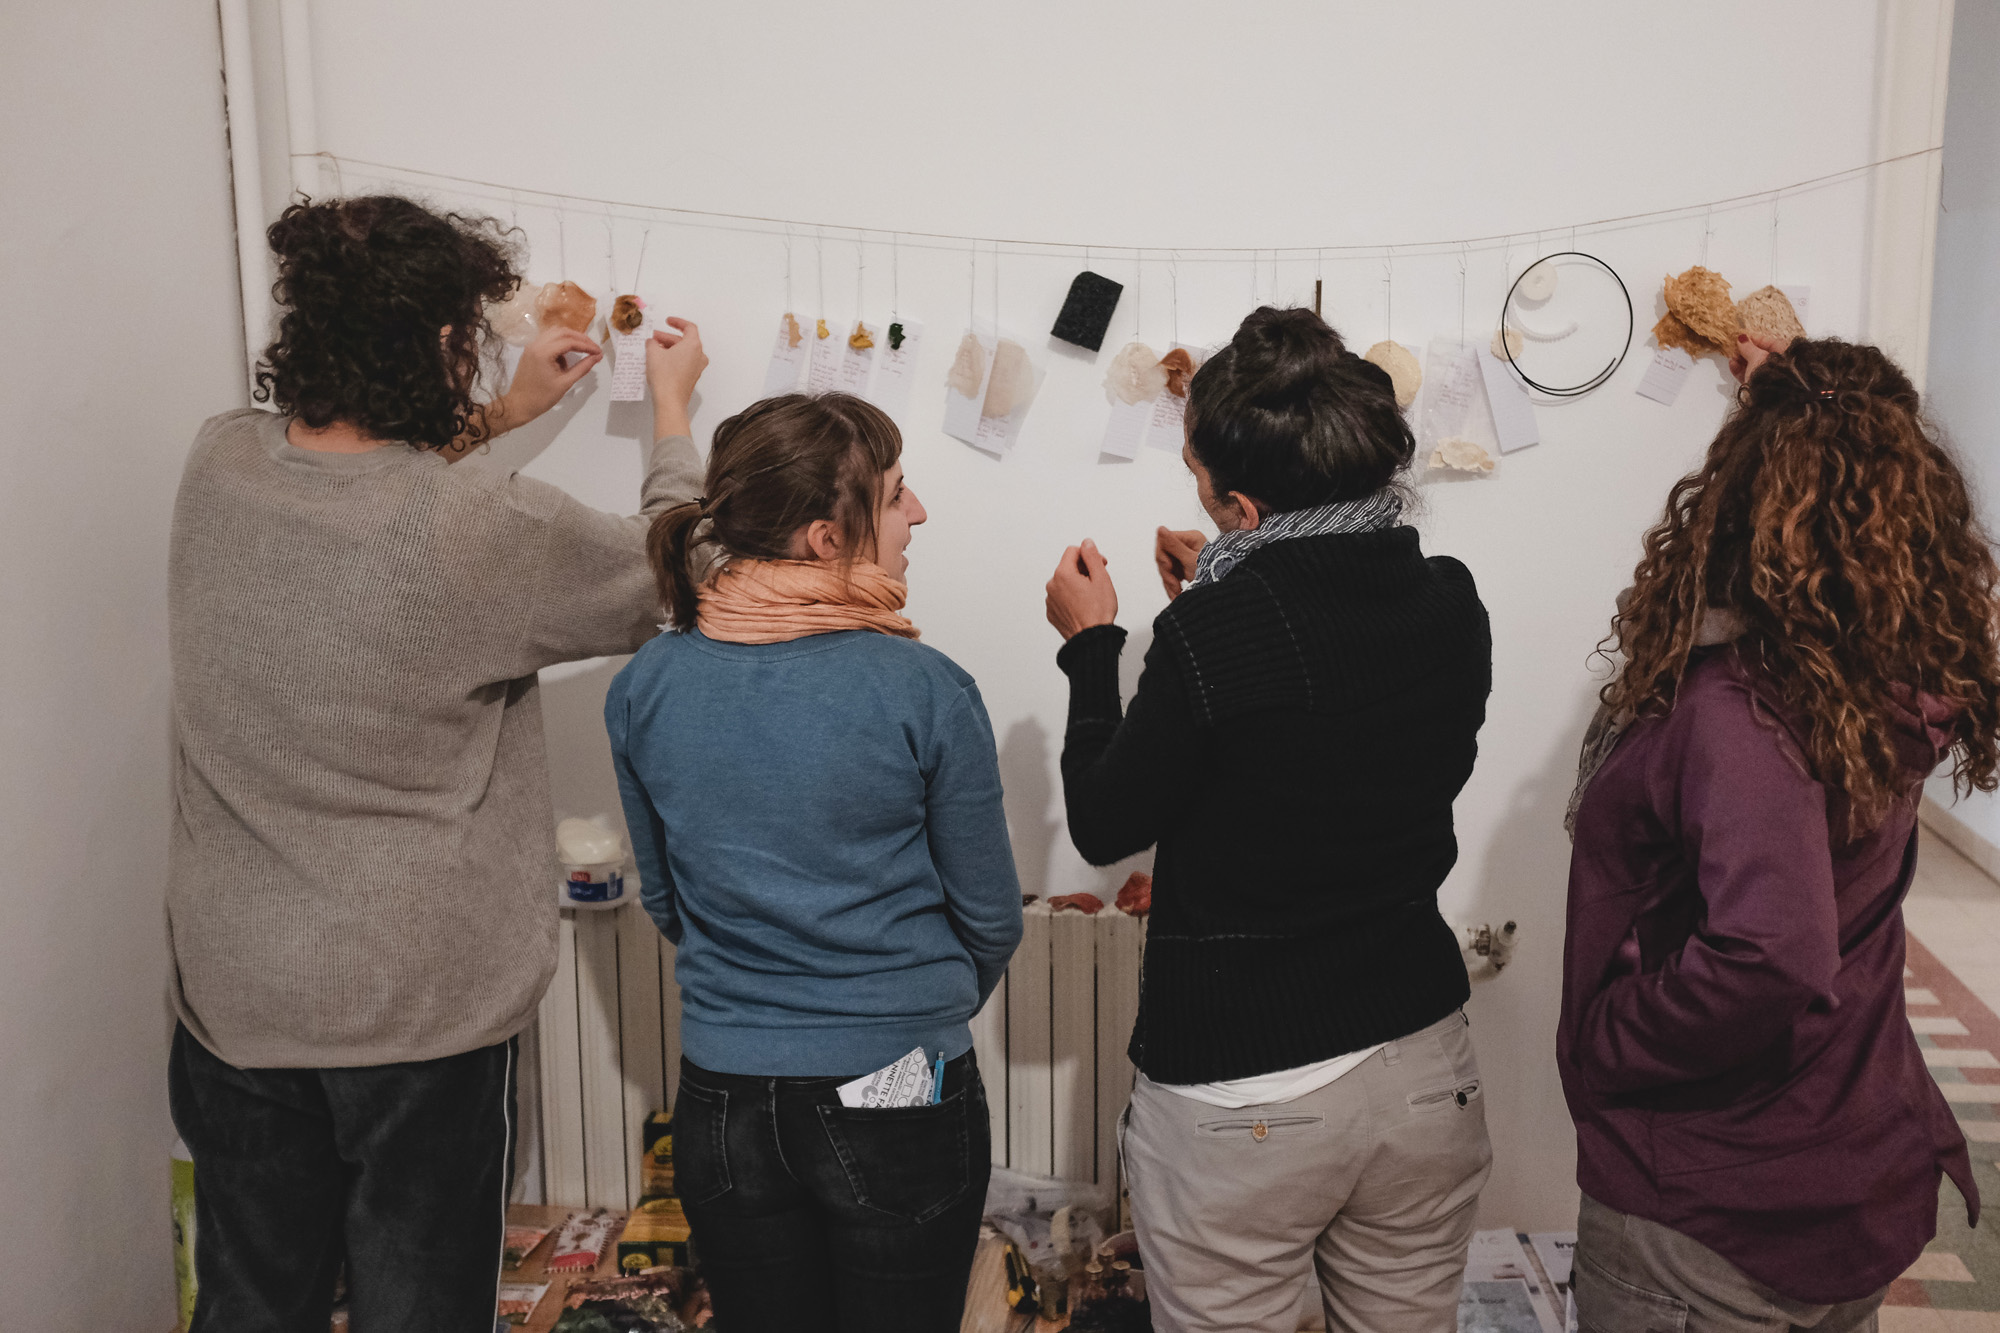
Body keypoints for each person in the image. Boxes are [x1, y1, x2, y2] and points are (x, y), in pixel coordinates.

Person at [166, 195, 708, 1332]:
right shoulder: (484, 534)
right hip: (413, 1014)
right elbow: (683, 567)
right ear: (445, 344)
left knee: (251, 1305)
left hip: (236, 993)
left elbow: (366, 497)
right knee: (419, 1307)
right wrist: (670, 416)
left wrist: (505, 412)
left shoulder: (218, 464)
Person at [1043, 306, 1495, 1333]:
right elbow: (1351, 736)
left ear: (1238, 503)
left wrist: (1091, 648)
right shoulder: (1446, 599)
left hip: (1244, 1090)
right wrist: (1214, 590)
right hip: (1422, 1065)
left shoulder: (1212, 633)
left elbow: (1104, 820)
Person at [1560, 333, 1997, 1333]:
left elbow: (1769, 953)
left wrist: (1607, 1038)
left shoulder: (1741, 714)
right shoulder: (1879, 686)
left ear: (1741, 490)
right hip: (1837, 1158)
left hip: (1715, 1209)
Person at [606, 392, 1023, 1332]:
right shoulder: (926, 687)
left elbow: (668, 901)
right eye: (896, 495)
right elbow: (992, 920)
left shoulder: (647, 685)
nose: (917, 514)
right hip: (901, 1088)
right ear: (826, 538)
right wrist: (907, 1012)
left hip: (721, 1100)